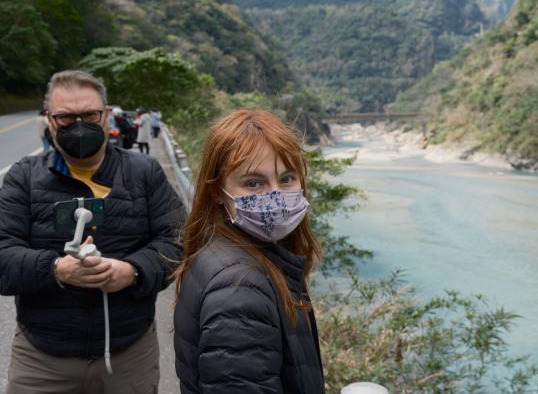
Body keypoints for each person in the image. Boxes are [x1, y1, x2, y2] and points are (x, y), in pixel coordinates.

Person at [0, 70, 186, 394]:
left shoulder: (144, 173)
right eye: (66, 117)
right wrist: (57, 269)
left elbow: (179, 240)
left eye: (89, 114)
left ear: (106, 114)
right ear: (49, 120)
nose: (80, 124)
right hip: (42, 356)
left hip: (129, 352)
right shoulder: (23, 178)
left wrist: (132, 272)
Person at [173, 109, 325, 394]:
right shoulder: (239, 290)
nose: (276, 196)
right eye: (253, 183)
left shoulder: (225, 254)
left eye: (287, 178)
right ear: (217, 191)